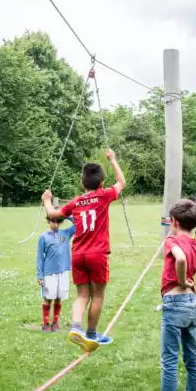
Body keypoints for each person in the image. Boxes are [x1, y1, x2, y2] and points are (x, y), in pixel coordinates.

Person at [41, 148, 125, 352]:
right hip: (98, 255)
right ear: (101, 183)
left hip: (78, 254)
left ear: (82, 183)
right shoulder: (104, 195)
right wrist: (112, 160)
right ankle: (91, 333)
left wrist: (46, 200)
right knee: (97, 296)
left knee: (82, 295)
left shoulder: (75, 202)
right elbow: (121, 182)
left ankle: (76, 327)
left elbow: (53, 214)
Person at [142, 199, 196, 391]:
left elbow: (179, 257)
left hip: (175, 304)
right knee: (192, 358)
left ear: (174, 222)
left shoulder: (171, 239)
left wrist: (181, 280)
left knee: (170, 360)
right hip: (191, 303)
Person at [37, 211, 75, 332]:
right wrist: (40, 275)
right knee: (48, 297)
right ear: (48, 221)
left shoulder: (66, 233)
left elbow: (78, 224)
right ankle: (46, 323)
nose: (56, 224)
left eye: (58, 221)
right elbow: (40, 257)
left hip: (63, 271)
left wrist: (65, 214)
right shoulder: (43, 237)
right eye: (53, 221)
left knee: (59, 297)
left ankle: (55, 323)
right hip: (49, 272)